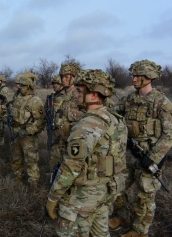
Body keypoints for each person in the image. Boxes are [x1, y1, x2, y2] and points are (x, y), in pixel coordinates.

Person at [46, 69, 127, 237]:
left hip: (81, 198)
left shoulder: (86, 126)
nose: (76, 95)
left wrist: (53, 198)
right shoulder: (115, 119)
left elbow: (70, 168)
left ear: (94, 95)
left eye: (80, 91)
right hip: (104, 192)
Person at [109, 60, 172, 237]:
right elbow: (113, 112)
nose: (134, 79)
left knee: (145, 195)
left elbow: (169, 134)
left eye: (138, 76)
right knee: (117, 186)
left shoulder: (161, 102)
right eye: (133, 75)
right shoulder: (129, 99)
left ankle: (139, 230)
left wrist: (153, 158)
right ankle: (121, 216)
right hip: (128, 153)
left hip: (148, 155)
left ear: (149, 77)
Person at [9, 73, 45, 189]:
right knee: (16, 159)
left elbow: (40, 122)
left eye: (24, 86)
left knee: (31, 162)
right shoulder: (17, 99)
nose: (21, 88)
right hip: (16, 134)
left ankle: (33, 185)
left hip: (28, 137)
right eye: (20, 86)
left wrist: (28, 131)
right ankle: (17, 180)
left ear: (29, 87)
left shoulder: (35, 101)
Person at [50, 63, 85, 170]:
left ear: (74, 77)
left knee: (71, 169)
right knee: (55, 166)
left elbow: (86, 116)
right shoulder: (58, 96)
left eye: (66, 77)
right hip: (56, 139)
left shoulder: (80, 95)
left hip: (72, 140)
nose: (63, 80)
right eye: (62, 77)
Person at [0, 75, 10, 150]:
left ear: (2, 81)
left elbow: (5, 98)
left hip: (2, 111)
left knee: (0, 129)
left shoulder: (5, 89)